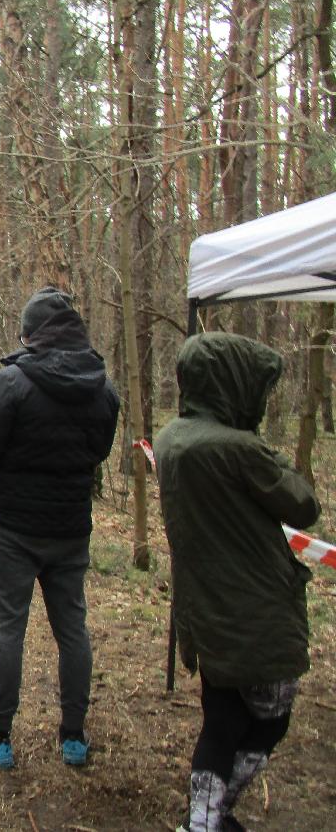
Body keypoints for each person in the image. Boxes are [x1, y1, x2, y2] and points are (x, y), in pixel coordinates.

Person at [154, 332, 321, 832]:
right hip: (256, 610)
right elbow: (303, 505)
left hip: (204, 604)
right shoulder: (240, 449)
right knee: (270, 719)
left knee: (222, 718)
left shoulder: (171, 437)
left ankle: (202, 821)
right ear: (232, 383)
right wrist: (270, 454)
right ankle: (214, 813)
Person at [0, 286, 119, 768]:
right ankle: (74, 736)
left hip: (14, 528)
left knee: (8, 629)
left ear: (31, 334)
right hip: (70, 528)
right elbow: (99, 452)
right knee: (72, 628)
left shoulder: (13, 381)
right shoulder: (102, 387)